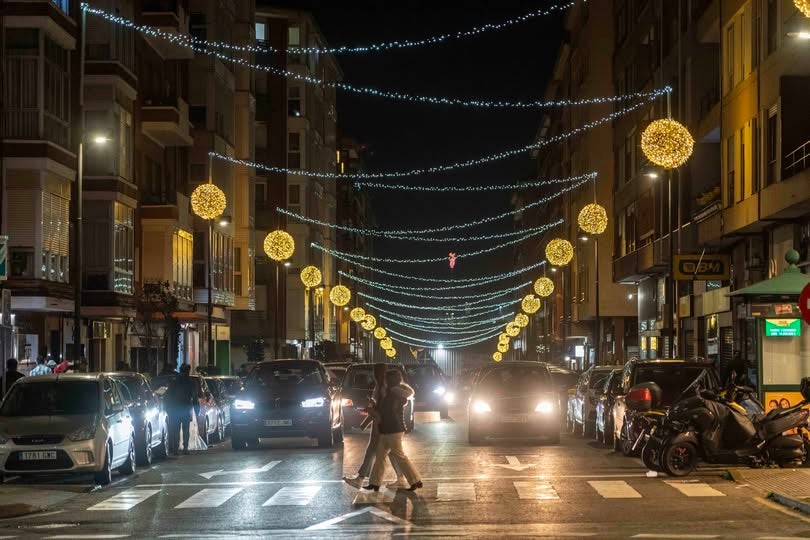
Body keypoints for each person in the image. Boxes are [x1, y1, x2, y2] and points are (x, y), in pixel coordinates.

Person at [343, 365, 408, 489]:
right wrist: (367, 419)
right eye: (376, 373)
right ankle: (400, 478)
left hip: (382, 424)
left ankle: (361, 479)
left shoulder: (386, 388)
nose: (376, 376)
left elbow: (381, 409)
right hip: (382, 423)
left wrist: (370, 415)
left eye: (378, 373)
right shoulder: (381, 387)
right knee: (390, 452)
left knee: (375, 450)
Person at [363, 370, 422, 492]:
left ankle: (415, 480)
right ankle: (375, 483)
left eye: (386, 378)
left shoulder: (393, 393)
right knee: (381, 456)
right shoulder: (393, 393)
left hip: (393, 429)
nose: (384, 380)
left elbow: (386, 412)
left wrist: (372, 410)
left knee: (398, 456)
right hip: (388, 429)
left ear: (391, 380)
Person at [165, 364, 200, 455]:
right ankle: (185, 448)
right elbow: (194, 397)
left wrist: (167, 407)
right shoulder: (191, 382)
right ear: (188, 371)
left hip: (176, 408)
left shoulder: (174, 381)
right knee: (185, 428)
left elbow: (168, 396)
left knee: (176, 428)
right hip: (185, 408)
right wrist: (197, 410)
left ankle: (176, 448)